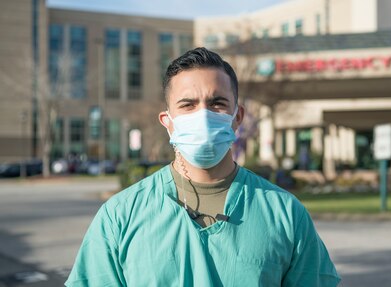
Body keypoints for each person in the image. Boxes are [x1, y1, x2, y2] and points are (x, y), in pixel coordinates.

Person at [66, 47, 340, 286]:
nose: (203, 116)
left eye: (217, 103)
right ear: (167, 121)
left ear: (237, 116)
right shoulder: (120, 216)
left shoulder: (285, 213)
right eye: (188, 105)